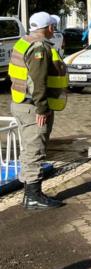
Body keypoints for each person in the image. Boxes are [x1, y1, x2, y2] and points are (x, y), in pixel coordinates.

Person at [9, 12, 68, 210]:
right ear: (49, 28)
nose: (54, 30)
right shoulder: (39, 47)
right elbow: (38, 82)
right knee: (35, 149)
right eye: (53, 26)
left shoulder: (23, 41)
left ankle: (30, 193)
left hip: (21, 103)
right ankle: (33, 196)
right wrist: (42, 109)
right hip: (33, 107)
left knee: (29, 148)